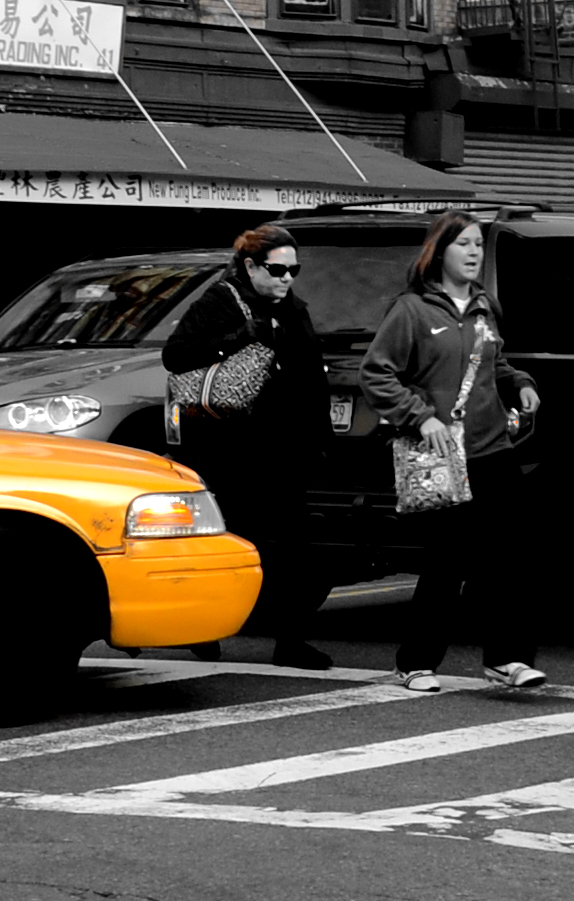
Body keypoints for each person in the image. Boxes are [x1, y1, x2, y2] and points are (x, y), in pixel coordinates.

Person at [367, 214, 550, 694]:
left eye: (478, 246)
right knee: (447, 562)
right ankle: (415, 663)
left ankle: (506, 659)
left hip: (493, 449)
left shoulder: (485, 307)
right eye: (463, 244)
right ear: (439, 251)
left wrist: (520, 383)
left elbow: (495, 362)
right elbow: (377, 374)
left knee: (510, 558)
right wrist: (420, 416)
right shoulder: (412, 310)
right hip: (444, 456)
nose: (473, 253)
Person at [161, 222, 332, 670]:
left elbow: (311, 377)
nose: (287, 278)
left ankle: (291, 641)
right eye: (278, 270)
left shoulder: (293, 309)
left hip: (285, 446)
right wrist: (240, 336)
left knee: (293, 546)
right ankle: (201, 629)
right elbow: (176, 356)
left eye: (294, 270)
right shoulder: (220, 301)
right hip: (230, 446)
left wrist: (320, 439)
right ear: (251, 266)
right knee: (228, 539)